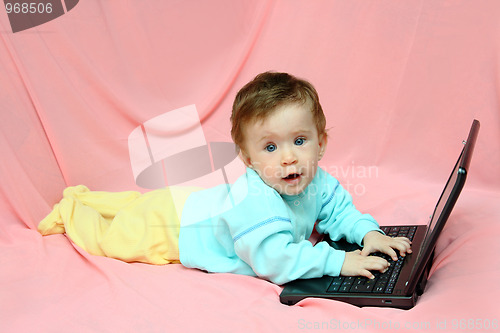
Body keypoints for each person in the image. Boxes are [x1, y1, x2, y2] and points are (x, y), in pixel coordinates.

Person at [38, 71, 411, 285]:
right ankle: (71, 210)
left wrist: (369, 233)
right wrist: (339, 262)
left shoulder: (315, 181)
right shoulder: (258, 202)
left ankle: (92, 200)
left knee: (131, 205)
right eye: (270, 148)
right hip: (174, 228)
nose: (288, 157)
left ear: (321, 142)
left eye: (300, 141)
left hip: (191, 203)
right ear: (247, 158)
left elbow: (338, 211)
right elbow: (275, 261)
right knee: (111, 237)